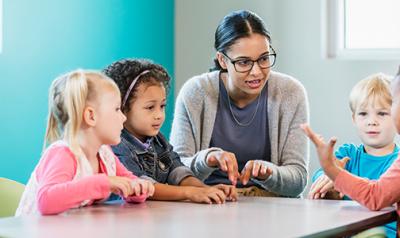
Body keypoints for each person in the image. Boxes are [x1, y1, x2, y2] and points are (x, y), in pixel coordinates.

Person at [170, 10, 309, 197]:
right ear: (222, 60)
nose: (257, 72)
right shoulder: (196, 92)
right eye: (244, 62)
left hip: (271, 205)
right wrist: (207, 159)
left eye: (264, 58)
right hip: (209, 200)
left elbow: (298, 181)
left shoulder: (290, 93)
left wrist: (270, 173)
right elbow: (173, 171)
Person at [16, 70, 154, 216]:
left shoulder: (105, 155)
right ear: (91, 116)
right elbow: (46, 201)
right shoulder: (63, 153)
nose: (123, 118)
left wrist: (137, 188)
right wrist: (104, 182)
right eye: (117, 109)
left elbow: (126, 181)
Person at [104, 59, 237, 204]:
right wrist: (190, 193)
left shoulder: (157, 140)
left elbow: (176, 170)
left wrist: (205, 189)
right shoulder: (116, 145)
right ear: (122, 108)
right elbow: (143, 187)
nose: (159, 115)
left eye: (162, 106)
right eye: (150, 107)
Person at [302, 67, 400, 236]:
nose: (372, 121)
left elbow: (376, 195)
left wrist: (336, 174)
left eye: (382, 113)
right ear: (354, 119)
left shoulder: (396, 161)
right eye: (363, 114)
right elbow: (320, 175)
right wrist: (327, 177)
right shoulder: (349, 153)